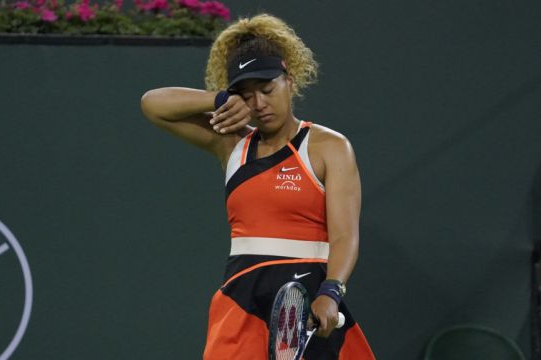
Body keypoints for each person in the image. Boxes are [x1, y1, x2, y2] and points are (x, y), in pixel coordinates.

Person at [141, 13, 376, 360]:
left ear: (290, 81)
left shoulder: (329, 146)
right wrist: (217, 100)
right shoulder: (231, 143)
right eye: (247, 96)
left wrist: (332, 290)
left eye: (267, 90)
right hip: (241, 301)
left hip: (308, 298)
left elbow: (344, 235)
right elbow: (153, 104)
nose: (259, 104)